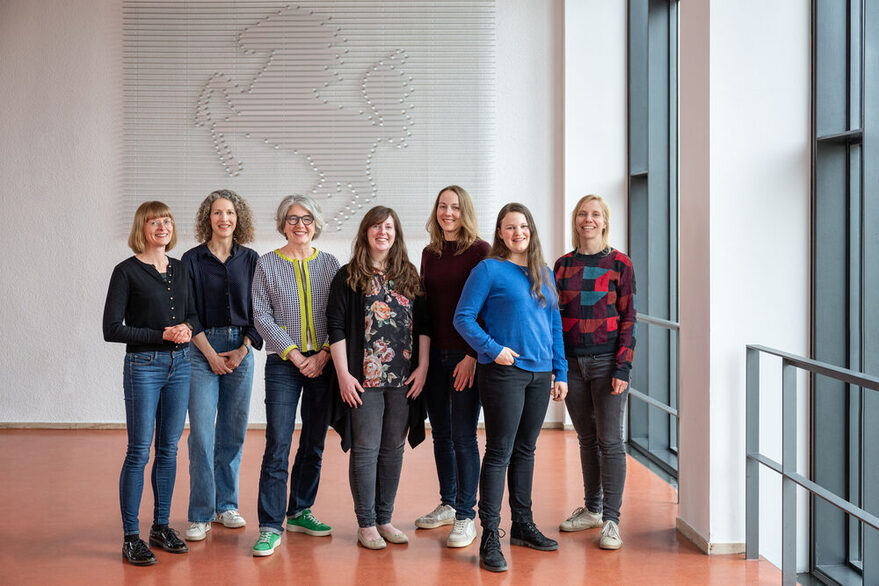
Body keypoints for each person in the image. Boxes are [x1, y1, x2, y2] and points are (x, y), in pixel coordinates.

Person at [454, 202, 568, 572]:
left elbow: (554, 327)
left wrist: (560, 371)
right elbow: (463, 318)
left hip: (540, 374)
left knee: (526, 450)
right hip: (505, 372)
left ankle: (523, 525)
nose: (518, 233)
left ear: (530, 231)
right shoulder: (489, 269)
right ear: (500, 233)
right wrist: (493, 349)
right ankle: (490, 534)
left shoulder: (543, 273)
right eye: (509, 227)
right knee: (500, 450)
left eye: (523, 227)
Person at [326, 206, 430, 550]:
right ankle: (366, 523)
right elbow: (337, 327)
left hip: (403, 380)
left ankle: (385, 518)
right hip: (363, 380)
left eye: (388, 227)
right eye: (375, 226)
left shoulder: (409, 275)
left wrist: (423, 367)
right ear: (365, 233)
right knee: (367, 449)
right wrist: (342, 374)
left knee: (393, 450)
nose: (382, 232)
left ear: (396, 233)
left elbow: (425, 327)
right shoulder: (348, 276)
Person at [103, 201, 197, 565]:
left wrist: (188, 328)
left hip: (182, 364)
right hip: (143, 365)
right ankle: (130, 537)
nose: (162, 226)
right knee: (139, 451)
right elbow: (112, 329)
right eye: (154, 221)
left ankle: (160, 526)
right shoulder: (125, 272)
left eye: (167, 220)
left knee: (169, 449)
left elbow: (192, 315)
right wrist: (163, 334)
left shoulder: (180, 268)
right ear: (142, 228)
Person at [250, 194, 341, 557]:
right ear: (282, 224)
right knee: (278, 443)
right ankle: (270, 525)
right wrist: (294, 354)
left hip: (323, 363)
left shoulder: (331, 264)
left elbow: (339, 314)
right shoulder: (267, 264)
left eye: (306, 218)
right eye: (292, 218)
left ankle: (300, 510)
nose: (299, 224)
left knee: (315, 441)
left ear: (316, 224)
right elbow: (261, 315)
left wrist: (320, 355)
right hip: (283, 366)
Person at [553, 194, 636, 551]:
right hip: (571, 364)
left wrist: (623, 366)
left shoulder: (620, 264)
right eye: (583, 214)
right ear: (576, 221)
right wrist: (556, 367)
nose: (589, 219)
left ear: (604, 222)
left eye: (595, 214)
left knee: (610, 441)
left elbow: (630, 318)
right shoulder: (561, 265)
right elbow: (552, 321)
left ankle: (612, 521)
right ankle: (592, 508)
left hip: (607, 364)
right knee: (586, 438)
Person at [182, 190, 262, 542]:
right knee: (201, 434)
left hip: (242, 350)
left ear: (238, 218)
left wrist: (243, 349)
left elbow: (261, 310)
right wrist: (211, 354)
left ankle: (226, 504)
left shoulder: (252, 259)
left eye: (230, 212)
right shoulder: (191, 259)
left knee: (233, 432)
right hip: (201, 350)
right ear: (207, 218)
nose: (224, 219)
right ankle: (200, 513)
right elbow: (186, 312)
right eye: (217, 213)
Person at [416, 186, 489, 548]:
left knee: (463, 435)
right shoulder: (429, 253)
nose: (448, 213)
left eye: (455, 207)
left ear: (466, 211)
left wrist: (473, 356)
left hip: (465, 358)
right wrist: (423, 360)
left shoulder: (480, 251)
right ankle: (448, 502)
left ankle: (466, 515)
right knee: (441, 434)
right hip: (435, 356)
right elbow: (425, 310)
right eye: (443, 206)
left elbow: (488, 308)